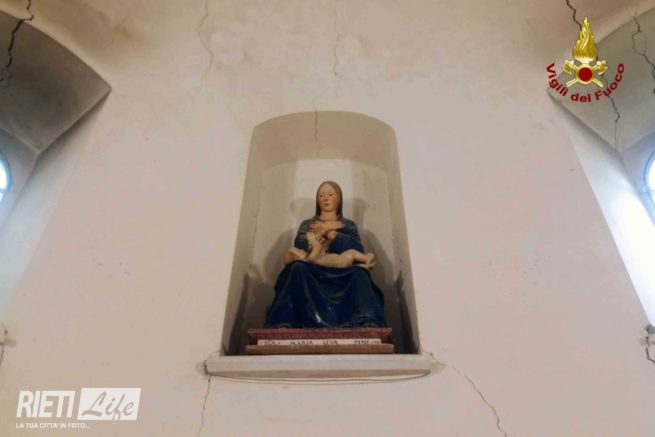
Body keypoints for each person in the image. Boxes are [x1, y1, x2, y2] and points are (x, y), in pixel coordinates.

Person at [264, 181, 386, 328]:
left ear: (338, 198)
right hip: (313, 267)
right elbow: (300, 246)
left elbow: (356, 247)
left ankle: (367, 321)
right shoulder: (307, 224)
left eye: (330, 195)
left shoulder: (348, 224)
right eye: (321, 195)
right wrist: (314, 239)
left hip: (342, 270)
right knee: (297, 268)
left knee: (360, 273)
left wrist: (332, 234)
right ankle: (284, 322)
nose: (325, 199)